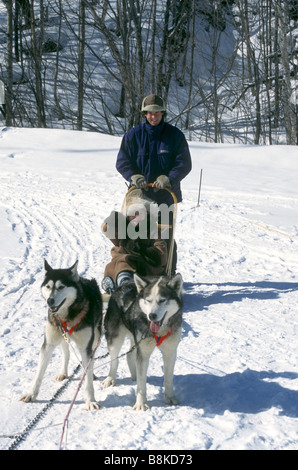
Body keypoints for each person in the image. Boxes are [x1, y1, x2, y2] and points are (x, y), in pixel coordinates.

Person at [115, 94, 192, 273]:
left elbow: (184, 163)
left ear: (162, 113)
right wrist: (133, 176)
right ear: (144, 114)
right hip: (139, 196)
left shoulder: (175, 136)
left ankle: (167, 273)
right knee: (136, 234)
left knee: (164, 237)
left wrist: (169, 178)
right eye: (149, 113)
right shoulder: (133, 136)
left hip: (165, 195)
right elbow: (122, 162)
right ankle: (137, 270)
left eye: (157, 113)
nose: (153, 116)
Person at [101, 192, 168, 294]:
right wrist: (112, 220)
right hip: (121, 264)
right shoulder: (123, 228)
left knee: (125, 259)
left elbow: (161, 254)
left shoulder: (152, 228)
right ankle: (122, 283)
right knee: (121, 260)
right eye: (133, 213)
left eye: (140, 214)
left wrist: (141, 250)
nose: (136, 217)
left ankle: (123, 284)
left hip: (145, 267)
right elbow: (108, 230)